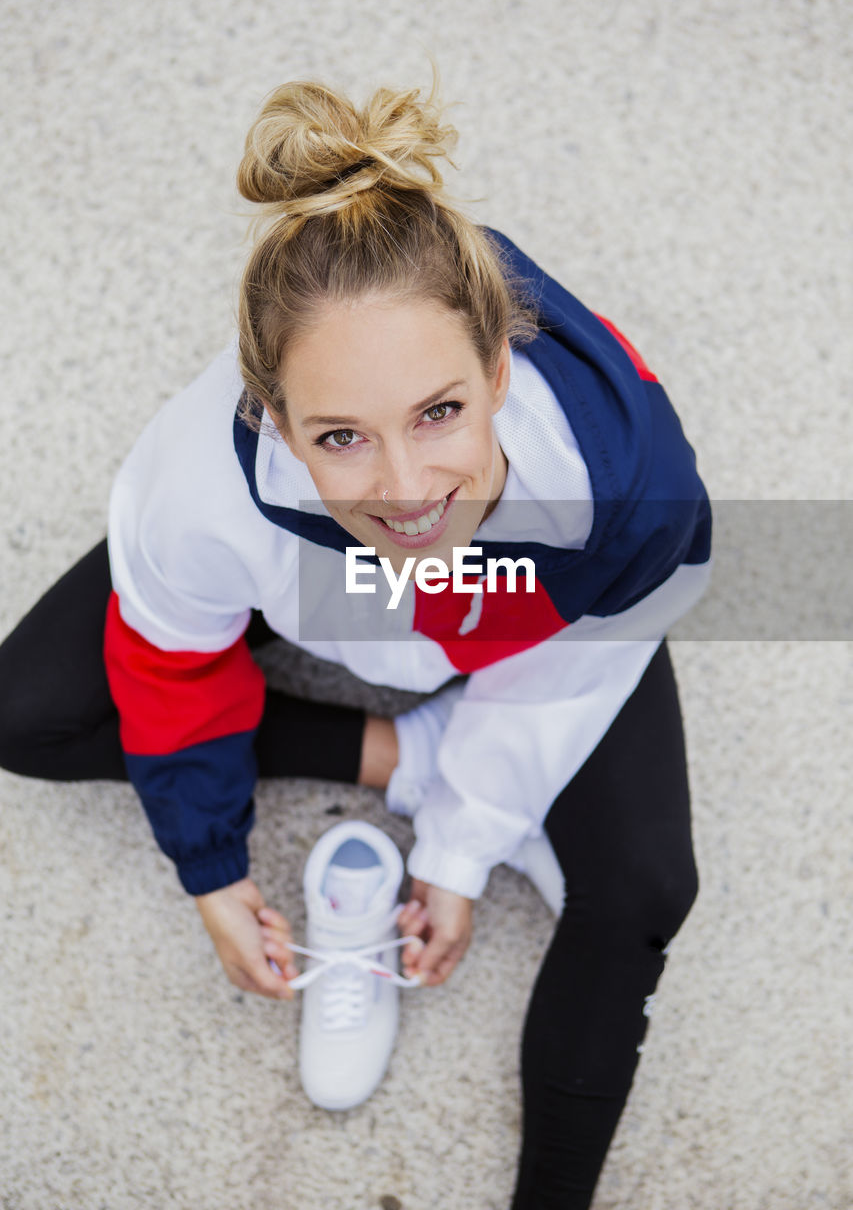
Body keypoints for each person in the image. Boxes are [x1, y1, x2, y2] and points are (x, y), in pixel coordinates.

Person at [0, 74, 711, 1208]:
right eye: (339, 435)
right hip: (338, 602)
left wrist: (460, 844)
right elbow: (169, 660)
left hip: (543, 629)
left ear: (497, 370)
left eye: (440, 411)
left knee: (643, 889)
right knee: (23, 709)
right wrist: (211, 864)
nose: (405, 488)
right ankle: (399, 755)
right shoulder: (197, 483)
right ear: (272, 420)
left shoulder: (628, 488)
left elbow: (577, 656)